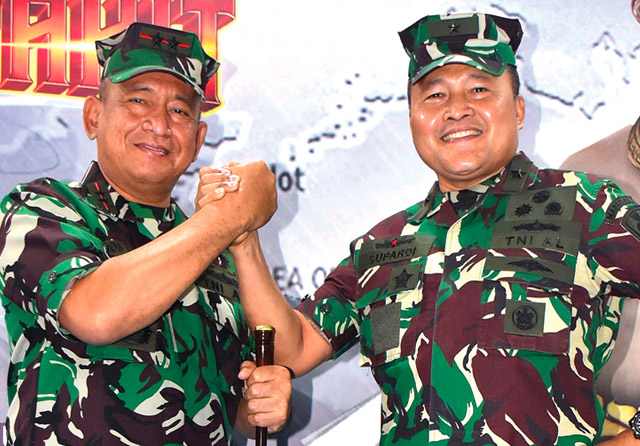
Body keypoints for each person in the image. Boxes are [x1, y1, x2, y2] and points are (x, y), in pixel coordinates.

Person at [202, 12, 640, 446]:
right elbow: (292, 348)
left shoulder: (584, 206)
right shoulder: (383, 246)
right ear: (413, 117)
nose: (456, 109)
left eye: (479, 89)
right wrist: (242, 237)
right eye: (434, 95)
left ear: (518, 109)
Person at [0, 22, 290, 445]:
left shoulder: (217, 253)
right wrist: (231, 215)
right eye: (138, 100)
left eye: (179, 111)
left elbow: (232, 402)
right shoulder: (44, 210)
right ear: (94, 116)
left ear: (198, 140)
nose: (158, 124)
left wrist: (260, 404)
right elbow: (94, 314)